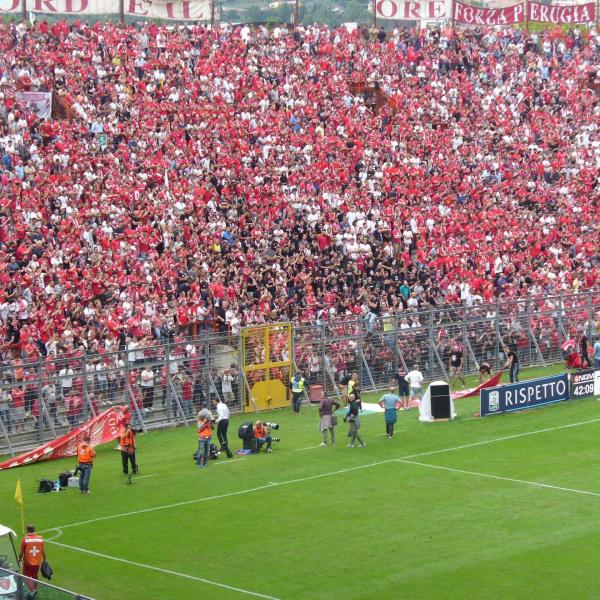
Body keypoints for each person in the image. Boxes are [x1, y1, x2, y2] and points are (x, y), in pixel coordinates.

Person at [19, 524, 46, 596]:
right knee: (35, 577)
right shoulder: (40, 538)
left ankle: (33, 590)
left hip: (28, 562)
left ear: (28, 530)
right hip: (37, 562)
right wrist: (44, 560)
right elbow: (43, 551)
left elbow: (21, 552)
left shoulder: (25, 539)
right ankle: (35, 589)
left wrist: (19, 559)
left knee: (26, 577)